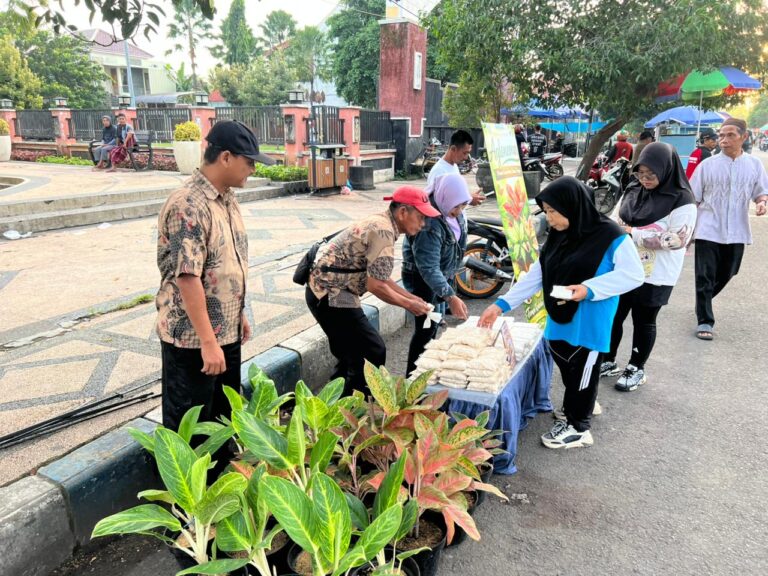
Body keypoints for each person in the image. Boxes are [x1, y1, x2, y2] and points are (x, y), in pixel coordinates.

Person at [478, 177, 643, 449]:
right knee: (565, 360)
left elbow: (633, 275)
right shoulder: (559, 235)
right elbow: (537, 275)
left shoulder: (612, 236)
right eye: (546, 212)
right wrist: (501, 305)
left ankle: (579, 428)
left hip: (591, 316)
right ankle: (579, 403)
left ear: (573, 206)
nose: (549, 218)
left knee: (583, 367)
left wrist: (589, 289)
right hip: (559, 311)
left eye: (554, 211)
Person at [155, 120, 274, 465]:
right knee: (191, 432)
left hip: (225, 331)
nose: (252, 169)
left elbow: (225, 264)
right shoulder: (187, 205)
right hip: (193, 340)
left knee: (222, 422)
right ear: (225, 157)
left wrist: (237, 316)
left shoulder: (227, 200)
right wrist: (208, 341)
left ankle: (220, 498)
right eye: (249, 161)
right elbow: (188, 278)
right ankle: (190, 512)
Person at [306, 187, 434, 395]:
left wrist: (411, 297)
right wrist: (409, 305)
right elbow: (377, 286)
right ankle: (354, 410)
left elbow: (379, 277)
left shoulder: (383, 223)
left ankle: (334, 410)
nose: (422, 224)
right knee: (372, 350)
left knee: (351, 355)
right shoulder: (383, 231)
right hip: (331, 295)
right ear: (403, 212)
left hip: (325, 292)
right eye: (420, 217)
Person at [601, 143, 697, 391]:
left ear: (666, 170)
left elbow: (676, 239)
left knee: (644, 319)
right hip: (624, 266)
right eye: (640, 174)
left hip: (656, 273)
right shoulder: (633, 187)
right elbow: (616, 218)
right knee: (615, 314)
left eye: (651, 175)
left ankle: (636, 367)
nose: (645, 180)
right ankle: (609, 359)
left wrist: (633, 233)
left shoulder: (682, 198)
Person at [690, 117, 768, 340]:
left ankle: (701, 301)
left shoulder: (753, 165)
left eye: (730, 135)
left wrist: (762, 202)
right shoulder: (707, 166)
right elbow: (693, 198)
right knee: (704, 276)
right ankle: (705, 320)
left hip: (737, 229)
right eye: (721, 135)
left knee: (728, 272)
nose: (723, 139)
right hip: (708, 228)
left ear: (744, 137)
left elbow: (761, 191)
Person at [402, 173, 471, 375]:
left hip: (441, 277)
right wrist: (451, 297)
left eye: (462, 206)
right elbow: (428, 268)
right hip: (424, 280)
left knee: (432, 327)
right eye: (456, 206)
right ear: (444, 197)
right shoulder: (430, 225)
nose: (458, 212)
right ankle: (412, 380)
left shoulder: (452, 211)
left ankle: (425, 376)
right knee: (425, 330)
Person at [426, 129, 484, 205]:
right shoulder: (439, 172)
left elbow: (453, 195)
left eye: (468, 153)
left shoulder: (454, 166)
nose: (466, 157)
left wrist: (467, 197)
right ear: (453, 149)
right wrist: (468, 199)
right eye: (464, 153)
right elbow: (438, 203)